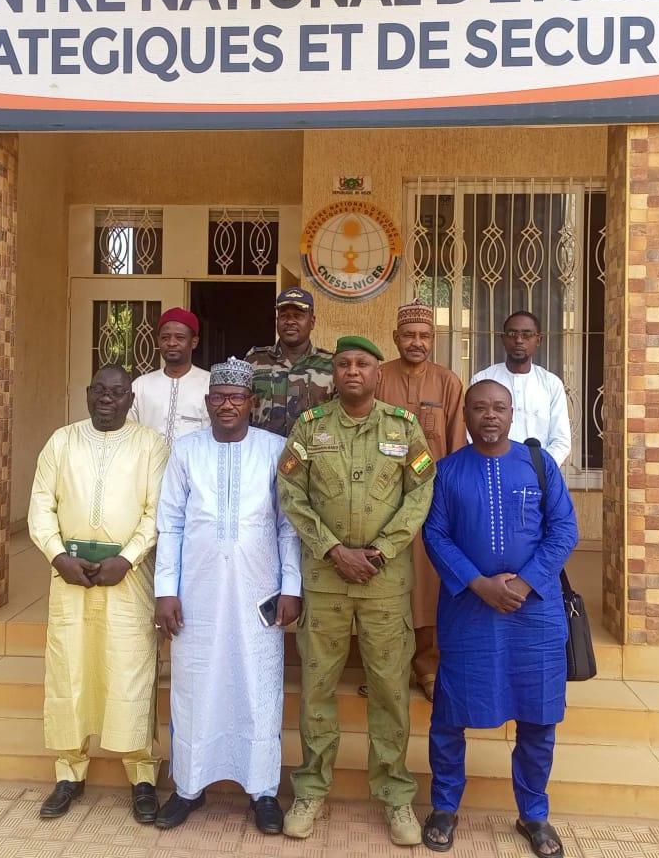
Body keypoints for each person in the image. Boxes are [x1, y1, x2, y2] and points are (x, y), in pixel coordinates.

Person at [277, 335, 436, 846]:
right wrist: (332, 550)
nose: (351, 371)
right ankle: (310, 790)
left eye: (362, 364)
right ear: (334, 373)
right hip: (326, 581)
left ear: (377, 373)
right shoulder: (309, 427)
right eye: (343, 363)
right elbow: (290, 493)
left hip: (385, 584)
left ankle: (395, 796)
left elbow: (421, 494)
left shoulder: (403, 428)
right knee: (317, 687)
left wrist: (382, 551)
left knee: (389, 690)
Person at [420, 380, 578, 856]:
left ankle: (534, 814)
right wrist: (479, 584)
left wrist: (525, 583)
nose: (490, 416)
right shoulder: (447, 472)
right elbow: (435, 535)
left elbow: (565, 529)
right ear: (465, 416)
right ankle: (444, 806)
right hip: (469, 611)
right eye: (479, 408)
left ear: (511, 414)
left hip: (535, 614)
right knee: (450, 715)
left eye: (499, 408)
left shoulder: (538, 464)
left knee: (538, 717)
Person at [152, 357, 302, 835]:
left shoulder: (275, 450)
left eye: (236, 397)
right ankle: (188, 786)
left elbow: (288, 527)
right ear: (207, 401)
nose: (227, 405)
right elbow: (170, 524)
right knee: (194, 685)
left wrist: (291, 587)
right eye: (218, 397)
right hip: (196, 592)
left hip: (259, 592)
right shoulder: (185, 451)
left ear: (251, 402)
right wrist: (165, 591)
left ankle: (263, 790)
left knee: (259, 686)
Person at [28, 365, 169, 826]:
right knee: (69, 670)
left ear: (131, 399)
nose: (107, 398)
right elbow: (41, 506)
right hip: (70, 577)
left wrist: (127, 559)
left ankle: (142, 775)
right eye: (100, 390)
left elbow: (156, 511)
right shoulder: (61, 441)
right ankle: (69, 772)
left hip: (127, 579)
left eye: (118, 392)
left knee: (131, 671)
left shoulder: (151, 445)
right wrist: (57, 556)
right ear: (88, 394)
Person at [376, 301, 467, 701]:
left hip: (431, 499)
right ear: (396, 338)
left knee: (428, 585)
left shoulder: (448, 383)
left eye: (425, 336)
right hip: (381, 501)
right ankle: (387, 670)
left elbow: (456, 445)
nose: (417, 342)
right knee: (386, 583)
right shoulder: (378, 377)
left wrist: (452, 502)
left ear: (434, 339)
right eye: (409, 335)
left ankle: (428, 665)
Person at [470, 311, 571, 467]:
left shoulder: (551, 384)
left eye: (526, 335)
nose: (518, 340)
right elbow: (472, 432)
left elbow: (561, 440)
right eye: (512, 334)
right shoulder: (482, 380)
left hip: (538, 473)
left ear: (538, 340)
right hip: (491, 468)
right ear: (503, 339)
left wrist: (539, 469)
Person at [245, 287, 334, 437]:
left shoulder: (330, 364)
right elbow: (240, 408)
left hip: (313, 450)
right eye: (284, 316)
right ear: (277, 321)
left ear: (312, 322)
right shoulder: (254, 361)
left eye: (298, 316)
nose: (290, 321)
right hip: (263, 449)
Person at [130, 307, 210, 449]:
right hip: (149, 462)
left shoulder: (210, 384)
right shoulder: (140, 385)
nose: (171, 343)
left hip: (195, 462)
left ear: (194, 342)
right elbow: (128, 432)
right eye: (165, 338)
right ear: (158, 341)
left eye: (180, 337)